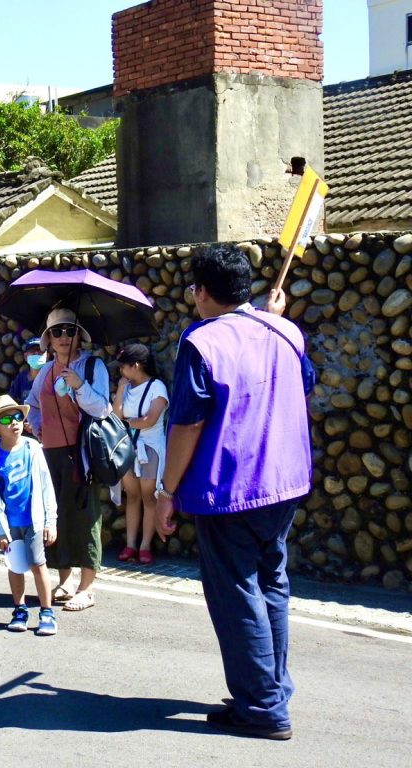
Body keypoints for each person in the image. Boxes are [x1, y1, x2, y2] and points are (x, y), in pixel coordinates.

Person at [155, 244, 313, 741]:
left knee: (237, 594)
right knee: (272, 586)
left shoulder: (201, 342)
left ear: (201, 292)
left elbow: (187, 422)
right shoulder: (285, 331)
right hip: (284, 481)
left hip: (228, 487)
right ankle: (269, 688)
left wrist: (167, 490)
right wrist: (273, 322)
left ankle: (262, 705)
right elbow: (301, 382)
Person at [25, 309, 110, 612]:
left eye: (69, 331)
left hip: (82, 451)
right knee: (56, 514)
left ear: (79, 336)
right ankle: (65, 580)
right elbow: (33, 404)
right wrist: (37, 428)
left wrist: (78, 385)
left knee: (85, 517)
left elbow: (102, 408)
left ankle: (87, 588)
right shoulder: (46, 371)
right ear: (48, 338)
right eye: (57, 331)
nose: (63, 337)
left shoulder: (91, 366)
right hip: (51, 451)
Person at [0, 395, 59, 636]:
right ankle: (20, 609)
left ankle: (47, 612)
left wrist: (50, 520)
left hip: (34, 520)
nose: (14, 422)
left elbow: (46, 485)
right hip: (10, 524)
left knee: (38, 564)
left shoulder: (33, 449)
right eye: (6, 418)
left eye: (17, 416)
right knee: (15, 567)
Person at [111, 343, 169, 565]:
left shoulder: (157, 388)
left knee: (148, 497)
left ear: (135, 366)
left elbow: (150, 420)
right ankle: (130, 544)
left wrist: (127, 423)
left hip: (150, 449)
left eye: (122, 367)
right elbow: (116, 416)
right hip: (129, 448)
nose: (120, 372)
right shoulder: (126, 388)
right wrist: (120, 392)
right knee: (132, 497)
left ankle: (145, 546)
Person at [9, 337, 46, 406]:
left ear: (47, 355)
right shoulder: (20, 379)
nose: (36, 352)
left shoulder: (52, 376)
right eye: (32, 350)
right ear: (26, 356)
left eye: (40, 350)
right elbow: (11, 400)